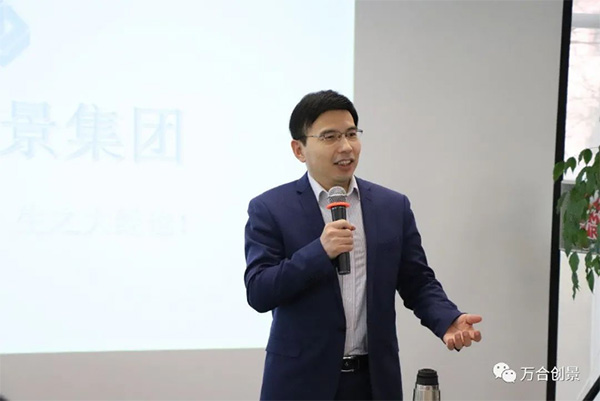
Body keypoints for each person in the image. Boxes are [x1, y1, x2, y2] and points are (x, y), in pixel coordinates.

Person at [244, 90, 482, 400]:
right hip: (300, 384)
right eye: (330, 136)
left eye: (351, 134)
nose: (345, 147)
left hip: (372, 383)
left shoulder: (392, 206)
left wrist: (447, 319)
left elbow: (417, 281)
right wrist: (319, 252)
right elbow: (259, 291)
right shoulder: (270, 208)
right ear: (299, 149)